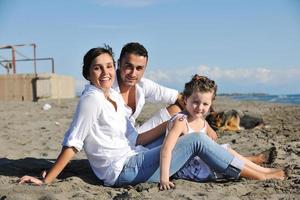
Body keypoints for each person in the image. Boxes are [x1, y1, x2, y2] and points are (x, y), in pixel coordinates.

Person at [18, 45, 281, 187]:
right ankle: (260, 176)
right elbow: (73, 142)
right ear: (87, 72)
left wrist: (184, 121)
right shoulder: (91, 99)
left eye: (108, 66)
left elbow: (136, 134)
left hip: (132, 157)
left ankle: (260, 168)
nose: (106, 72)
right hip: (121, 171)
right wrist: (47, 180)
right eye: (98, 68)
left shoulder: (110, 96)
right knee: (195, 142)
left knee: (188, 130)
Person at [159, 75, 285, 190]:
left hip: (201, 163)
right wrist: (164, 178)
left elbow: (209, 135)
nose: (200, 108)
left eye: (205, 104)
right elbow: (166, 149)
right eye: (195, 102)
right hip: (190, 169)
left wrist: (209, 129)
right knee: (225, 154)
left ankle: (265, 170)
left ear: (211, 105)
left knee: (227, 150)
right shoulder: (180, 121)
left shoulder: (201, 121)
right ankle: (261, 176)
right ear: (186, 100)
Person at [113, 42, 217, 141]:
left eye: (139, 68)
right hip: (117, 143)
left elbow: (179, 97)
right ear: (118, 64)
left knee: (176, 110)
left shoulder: (143, 85)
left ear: (145, 68)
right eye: (128, 66)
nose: (133, 73)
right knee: (177, 121)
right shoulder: (107, 88)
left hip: (135, 134)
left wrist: (204, 123)